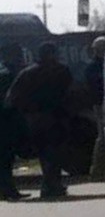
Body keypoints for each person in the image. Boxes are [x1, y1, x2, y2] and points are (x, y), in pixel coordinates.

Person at [6, 42, 72, 199]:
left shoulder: (26, 73)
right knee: (55, 152)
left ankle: (51, 185)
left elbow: (11, 98)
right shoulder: (62, 71)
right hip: (56, 117)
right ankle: (51, 185)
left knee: (45, 152)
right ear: (53, 54)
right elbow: (70, 93)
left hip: (33, 119)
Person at [0, 44, 30, 201]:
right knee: (5, 159)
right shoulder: (8, 73)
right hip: (6, 120)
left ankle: (8, 190)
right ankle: (8, 191)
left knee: (6, 159)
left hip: (7, 120)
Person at [87, 36, 105, 181]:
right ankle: (97, 172)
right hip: (100, 104)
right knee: (103, 138)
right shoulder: (93, 67)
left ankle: (103, 171)